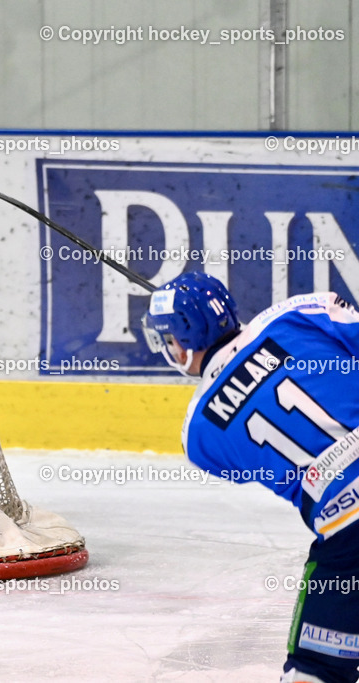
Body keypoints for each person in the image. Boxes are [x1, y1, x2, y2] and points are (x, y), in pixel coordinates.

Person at [143, 271, 359, 683]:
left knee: (315, 669)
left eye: (169, 338)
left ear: (184, 341)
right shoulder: (298, 313)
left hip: (349, 528)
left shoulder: (198, 435)